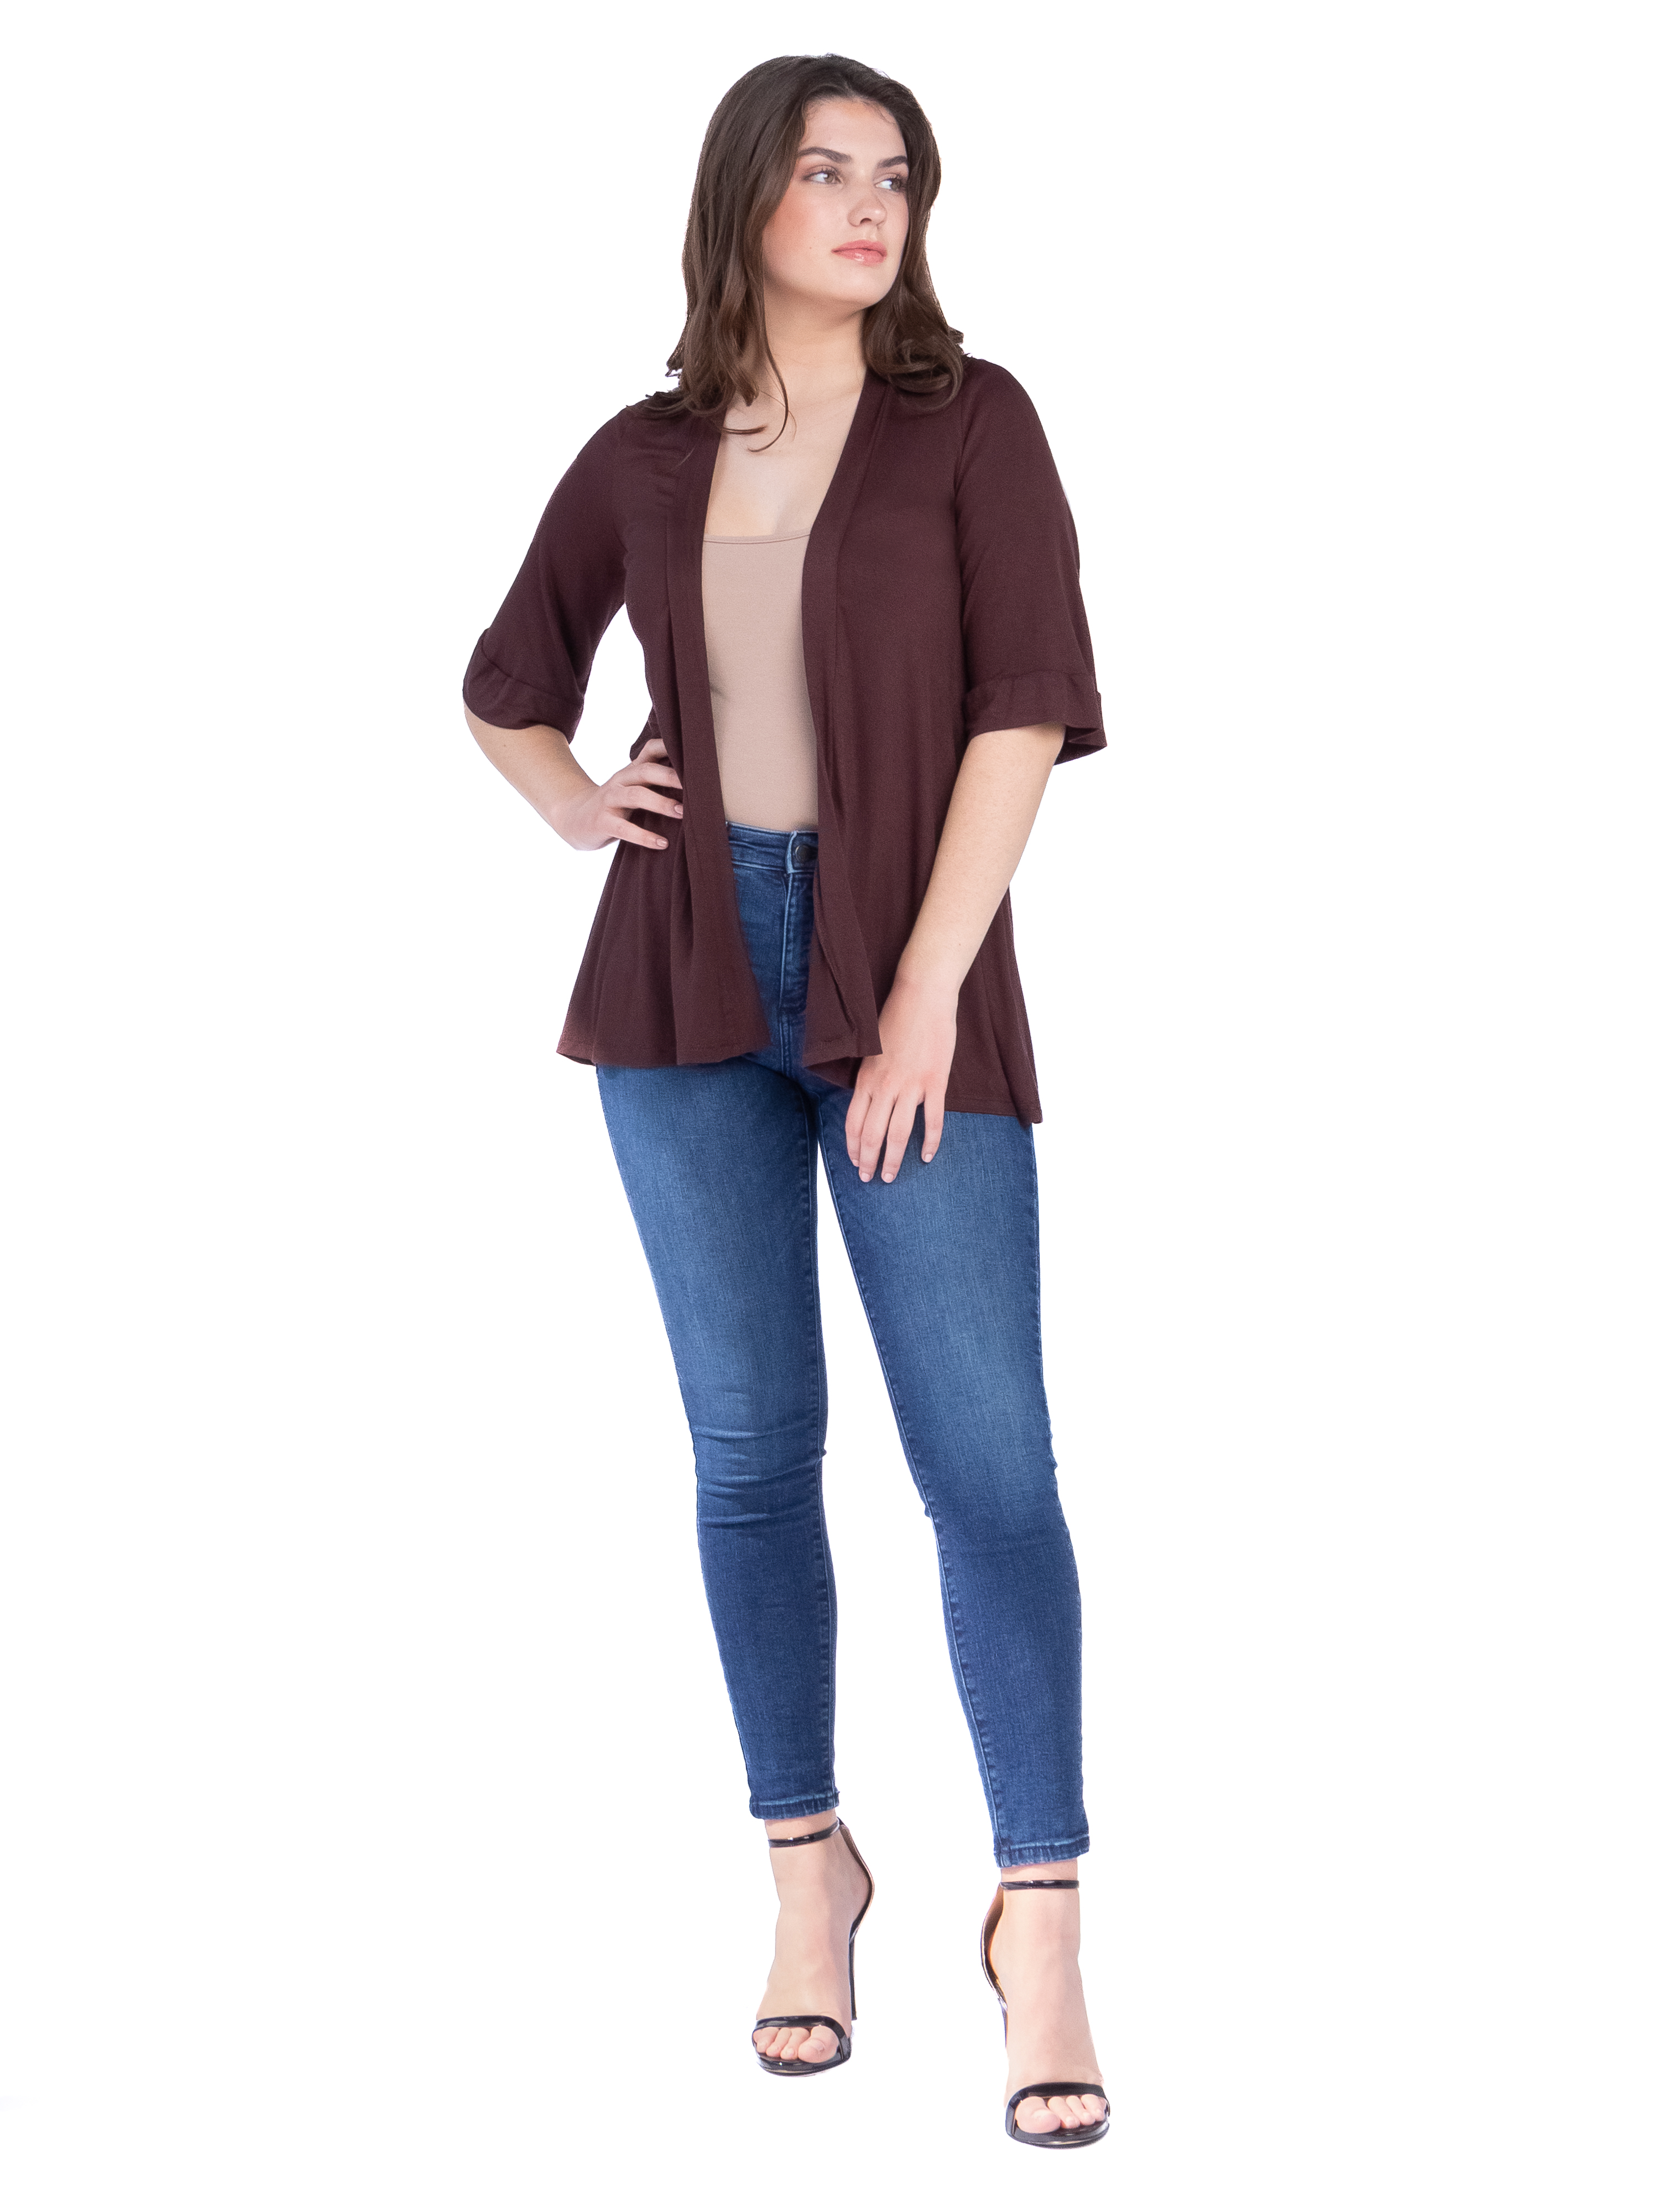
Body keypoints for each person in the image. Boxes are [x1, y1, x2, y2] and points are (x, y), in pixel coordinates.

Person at [462, 53, 1108, 2148]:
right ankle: (808, 1874)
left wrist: (923, 995)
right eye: (826, 170)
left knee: (988, 1469)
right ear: (744, 197)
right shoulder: (645, 454)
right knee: (751, 1457)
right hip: (683, 981)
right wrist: (580, 805)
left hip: (905, 970)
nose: (868, 205)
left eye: (895, 175)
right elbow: (507, 683)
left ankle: (1038, 1923)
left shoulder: (970, 421)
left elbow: (1024, 710)